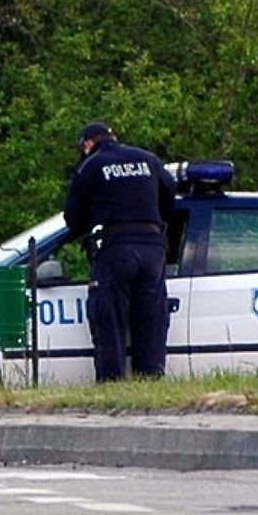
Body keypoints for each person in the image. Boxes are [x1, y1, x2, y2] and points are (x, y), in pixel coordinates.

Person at [63, 122, 176, 383]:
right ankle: (149, 379)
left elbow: (73, 218)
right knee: (151, 317)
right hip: (153, 249)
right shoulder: (148, 159)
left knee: (109, 318)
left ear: (88, 144)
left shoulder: (90, 166)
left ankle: (112, 383)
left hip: (116, 249)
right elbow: (170, 198)